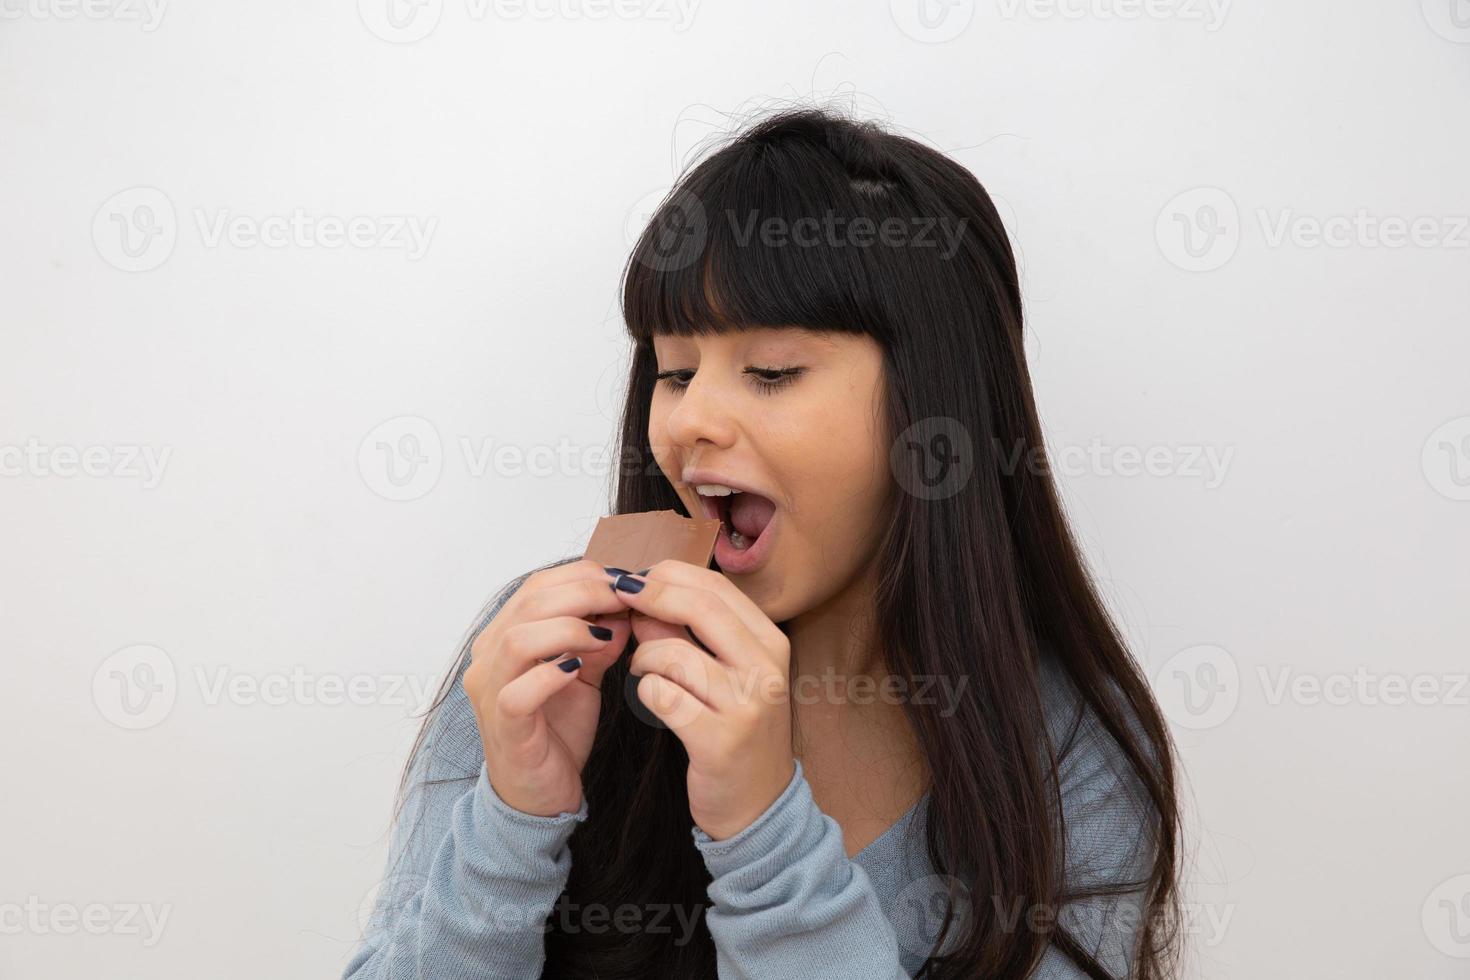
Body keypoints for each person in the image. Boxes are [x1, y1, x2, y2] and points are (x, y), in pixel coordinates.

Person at [343, 105, 1183, 979]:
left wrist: (762, 830)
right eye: (673, 372)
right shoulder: (546, 660)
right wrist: (512, 825)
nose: (690, 419)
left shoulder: (1068, 744)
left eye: (772, 372)